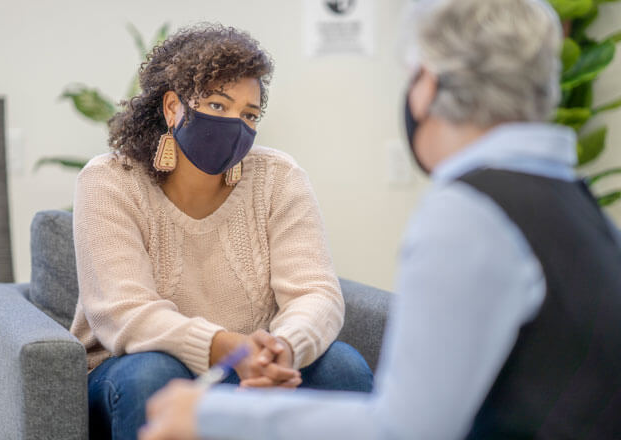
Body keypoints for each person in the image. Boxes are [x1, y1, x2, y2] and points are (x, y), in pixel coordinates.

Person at [139, 0, 621, 439]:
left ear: (428, 84)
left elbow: (407, 429)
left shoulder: (470, 211)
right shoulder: (578, 205)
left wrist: (206, 415)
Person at [69, 24, 373, 440]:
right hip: (130, 372)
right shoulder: (109, 181)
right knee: (155, 372)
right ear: (173, 108)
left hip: (250, 371)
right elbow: (124, 312)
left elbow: (314, 292)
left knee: (343, 367)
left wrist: (281, 349)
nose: (235, 124)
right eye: (217, 104)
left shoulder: (279, 178)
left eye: (249, 114)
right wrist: (226, 347)